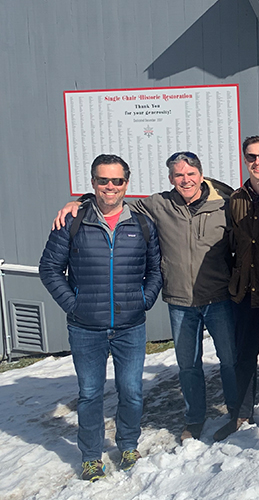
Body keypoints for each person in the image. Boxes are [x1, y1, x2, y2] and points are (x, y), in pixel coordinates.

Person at [54, 152, 238, 442]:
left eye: (190, 174)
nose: (185, 180)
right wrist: (80, 202)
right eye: (178, 175)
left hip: (219, 298)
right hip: (180, 302)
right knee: (188, 366)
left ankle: (236, 412)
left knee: (229, 360)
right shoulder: (158, 204)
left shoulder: (224, 205)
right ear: (170, 179)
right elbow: (113, 202)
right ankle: (195, 418)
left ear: (201, 175)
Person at [40, 154, 162, 481]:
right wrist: (74, 304)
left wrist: (143, 300)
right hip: (85, 328)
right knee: (90, 394)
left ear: (127, 183)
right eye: (103, 180)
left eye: (117, 181)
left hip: (130, 326)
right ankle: (92, 456)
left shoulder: (141, 224)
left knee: (132, 391)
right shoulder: (72, 221)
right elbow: (49, 269)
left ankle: (127, 444)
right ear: (93, 182)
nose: (110, 187)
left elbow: (155, 270)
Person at [213, 136, 259, 441]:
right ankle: (240, 412)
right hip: (245, 289)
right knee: (244, 354)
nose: (258, 162)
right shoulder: (235, 199)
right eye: (252, 157)